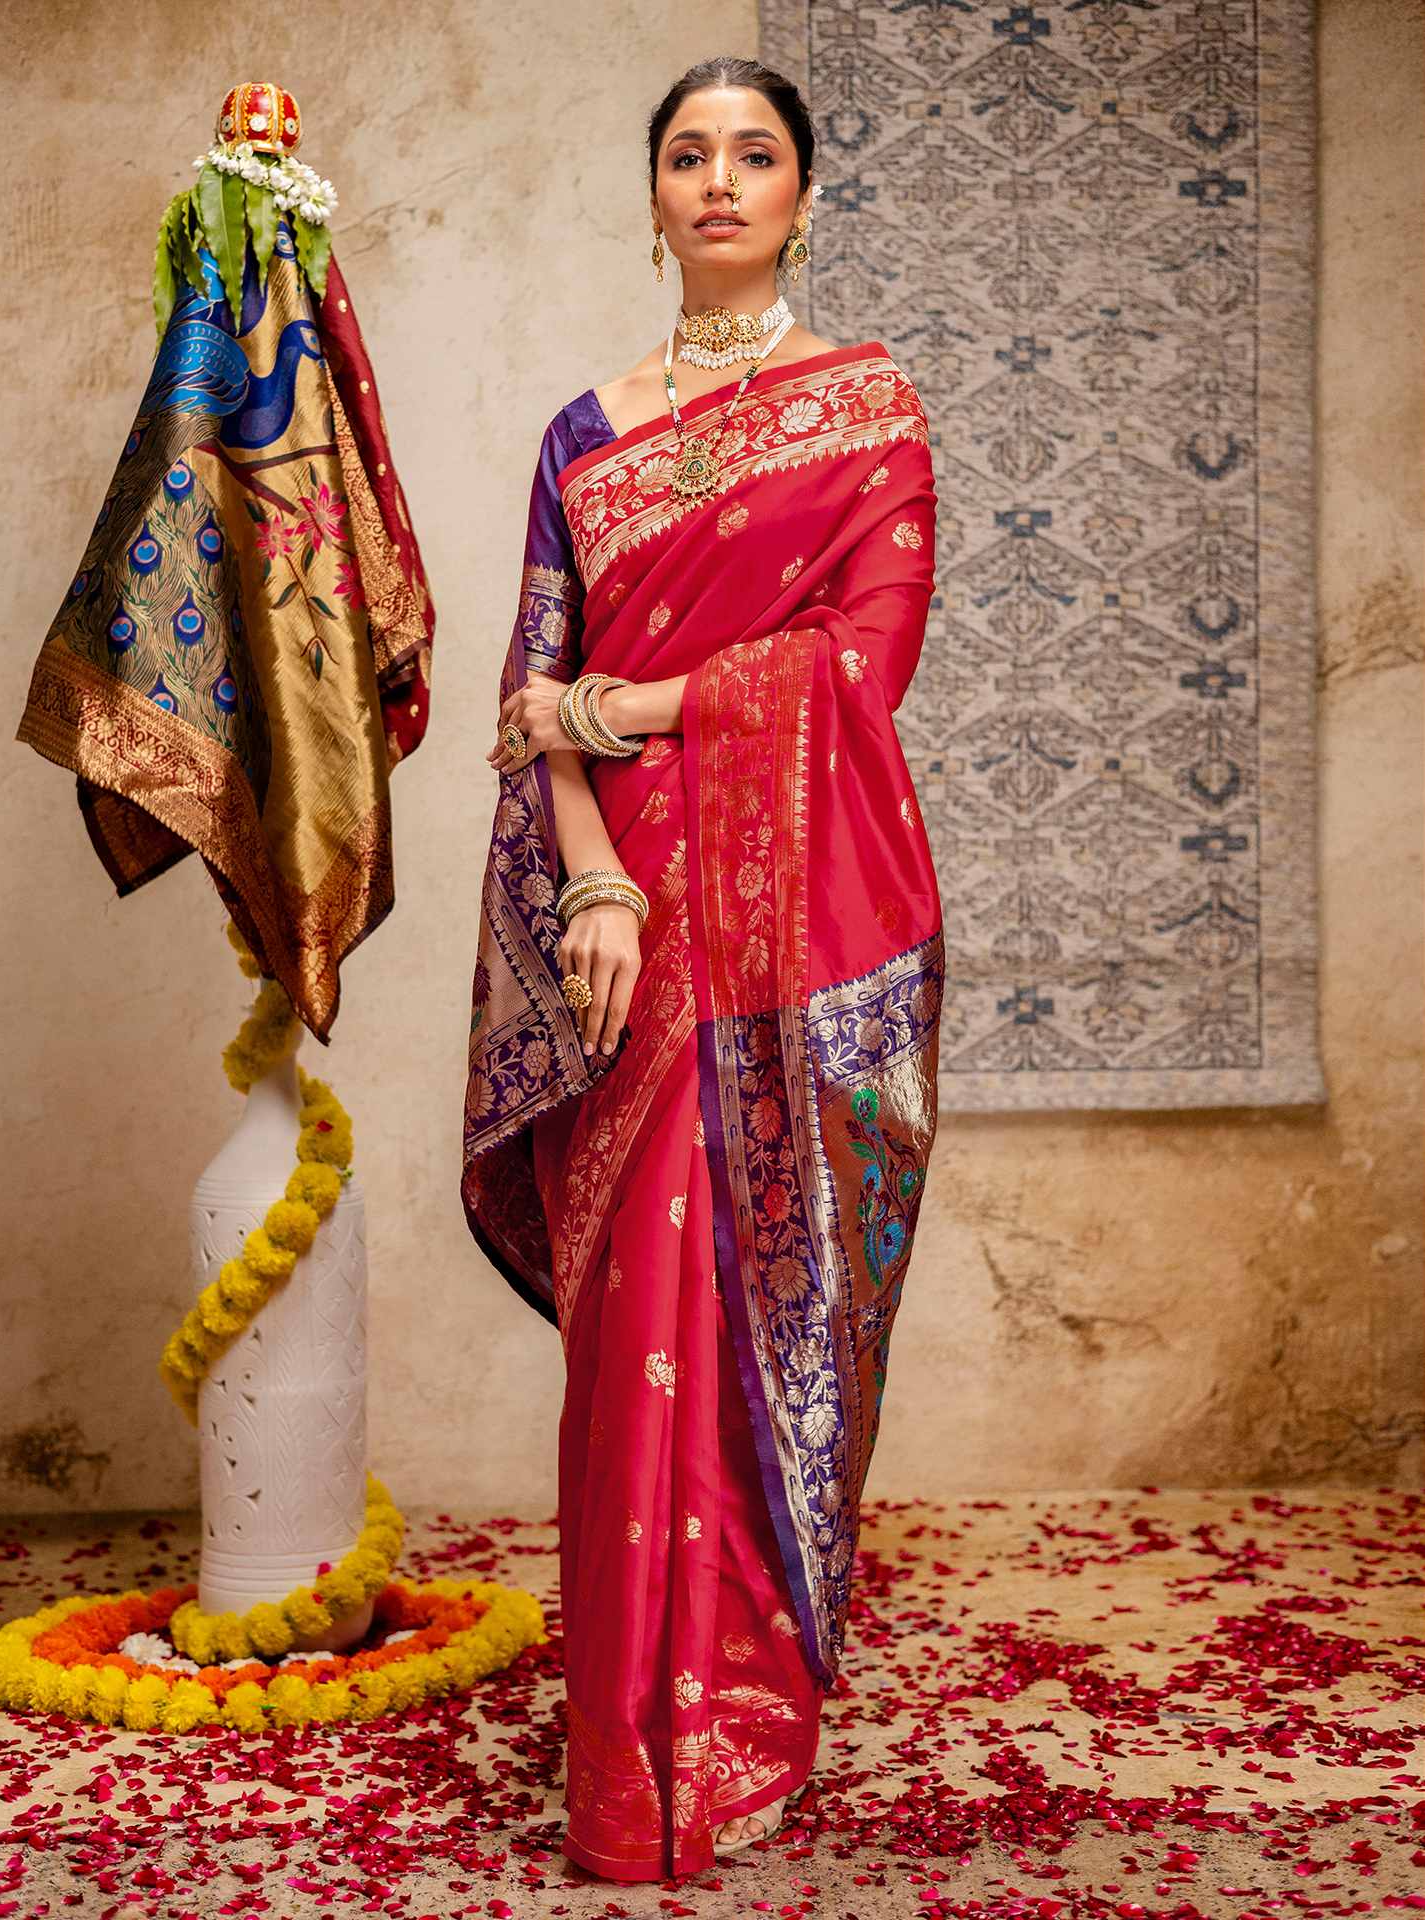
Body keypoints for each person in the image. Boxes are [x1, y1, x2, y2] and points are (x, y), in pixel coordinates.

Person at [461, 54, 945, 1882]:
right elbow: (530, 697)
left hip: (812, 906)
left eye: (755, 155)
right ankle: (624, 1762)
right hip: (640, 928)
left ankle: (737, 1714)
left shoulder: (867, 407)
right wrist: (591, 884)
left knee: (772, 1309)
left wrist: (622, 702)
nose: (720, 181)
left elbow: (859, 666)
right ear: (649, 194)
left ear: (803, 197)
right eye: (687, 154)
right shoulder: (587, 433)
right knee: (634, 1337)